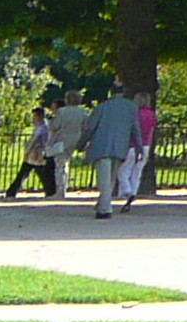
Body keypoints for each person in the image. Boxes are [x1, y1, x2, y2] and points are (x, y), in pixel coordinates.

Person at [86, 81, 141, 219]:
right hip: (120, 146)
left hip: (101, 146)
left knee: (104, 179)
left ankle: (105, 208)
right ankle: (103, 204)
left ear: (111, 92)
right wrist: (139, 146)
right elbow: (136, 129)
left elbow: (90, 128)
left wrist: (81, 143)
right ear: (123, 91)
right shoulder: (131, 107)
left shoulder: (102, 107)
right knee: (110, 179)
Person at [6, 101, 58, 199]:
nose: (33, 119)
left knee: (35, 173)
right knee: (30, 172)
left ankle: (12, 192)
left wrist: (27, 150)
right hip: (36, 153)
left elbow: (35, 140)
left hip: (36, 153)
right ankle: (12, 191)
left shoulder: (42, 127)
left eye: (35, 116)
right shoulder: (42, 126)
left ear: (40, 116)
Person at [48, 89, 90, 198]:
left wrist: (51, 121)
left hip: (62, 140)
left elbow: (54, 126)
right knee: (66, 164)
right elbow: (86, 127)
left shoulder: (62, 112)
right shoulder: (83, 112)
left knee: (60, 166)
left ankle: (61, 190)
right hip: (77, 139)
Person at [131, 92, 159, 200]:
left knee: (125, 170)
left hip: (133, 144)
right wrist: (149, 143)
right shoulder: (151, 114)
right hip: (146, 143)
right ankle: (133, 191)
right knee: (138, 170)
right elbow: (151, 130)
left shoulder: (134, 113)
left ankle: (126, 190)